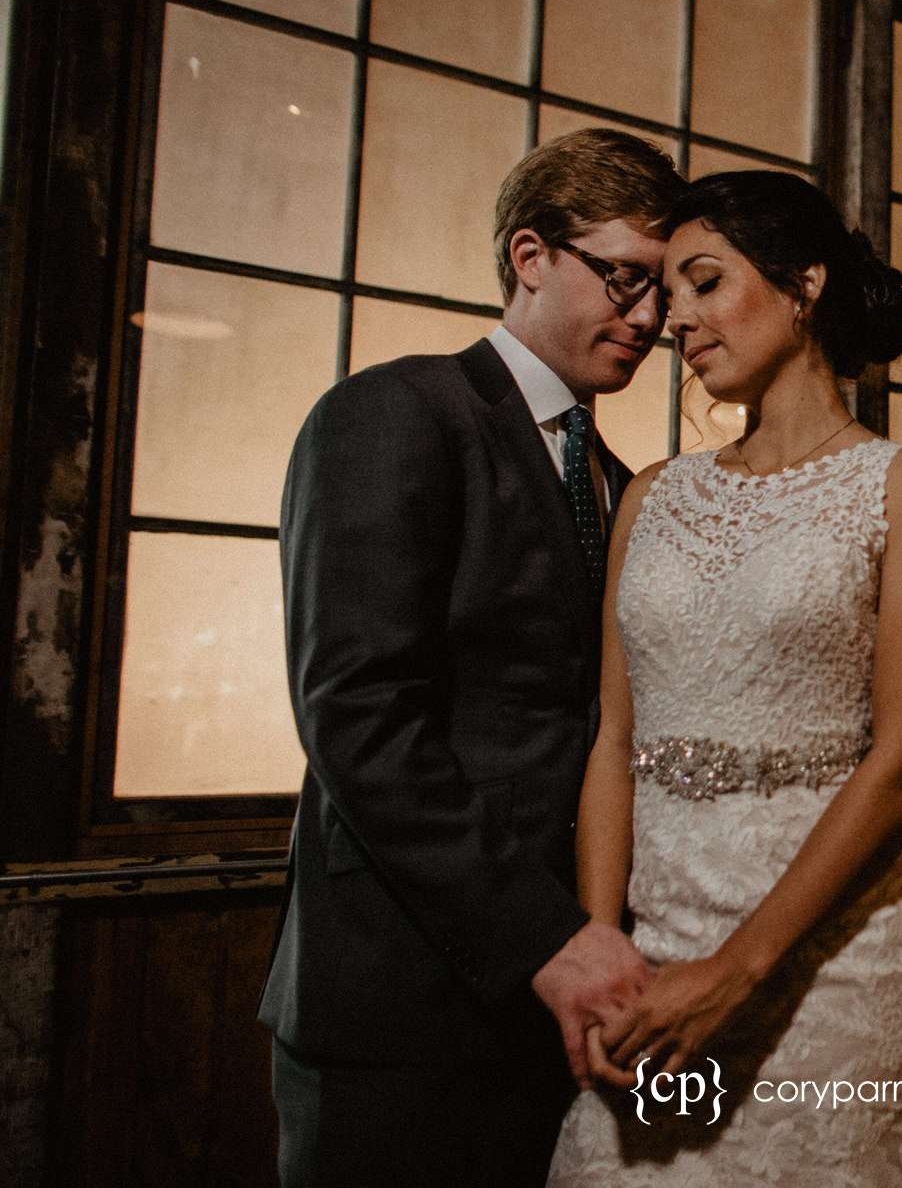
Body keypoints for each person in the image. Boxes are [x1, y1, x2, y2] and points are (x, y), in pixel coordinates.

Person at [259, 128, 685, 1186]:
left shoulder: (620, 480)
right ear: (530, 256)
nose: (648, 320)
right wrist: (546, 937)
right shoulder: (396, 411)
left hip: (566, 996)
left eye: (665, 292)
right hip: (402, 997)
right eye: (624, 278)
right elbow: (356, 716)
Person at [546, 171, 902, 1185]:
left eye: (702, 282)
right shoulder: (653, 495)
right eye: (662, 291)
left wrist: (739, 970)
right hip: (655, 941)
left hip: (832, 955)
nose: (671, 320)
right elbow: (613, 739)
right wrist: (603, 945)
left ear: (804, 286)